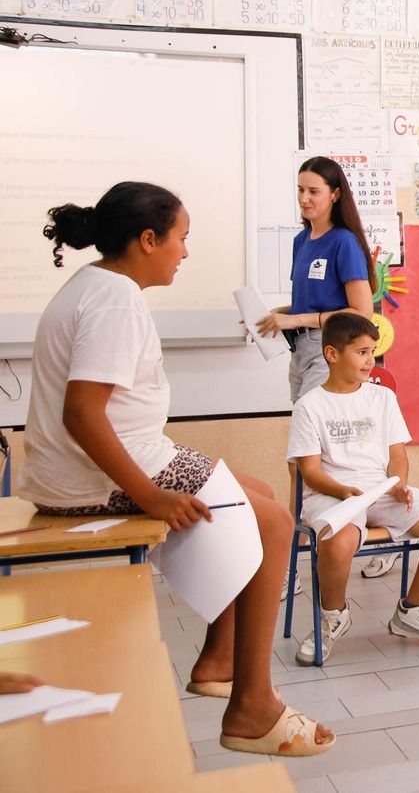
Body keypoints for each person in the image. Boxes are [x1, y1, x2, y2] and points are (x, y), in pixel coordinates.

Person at [20, 182, 332, 756]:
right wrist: (151, 496)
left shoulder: (96, 286)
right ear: (146, 240)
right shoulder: (115, 298)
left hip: (112, 461)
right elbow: (83, 413)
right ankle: (252, 704)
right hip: (102, 477)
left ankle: (217, 660)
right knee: (273, 522)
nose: (185, 253)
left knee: (257, 491)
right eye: (180, 239)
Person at [286, 312, 419, 666]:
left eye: (373, 352)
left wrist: (398, 485)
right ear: (332, 355)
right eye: (362, 352)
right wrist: (344, 492)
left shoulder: (382, 399)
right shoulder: (309, 406)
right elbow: (309, 470)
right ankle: (333, 616)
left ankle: (412, 610)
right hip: (330, 494)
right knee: (337, 544)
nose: (371, 361)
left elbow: (397, 455)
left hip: (380, 491)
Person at [254, 156, 389, 586]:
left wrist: (297, 320)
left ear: (334, 194)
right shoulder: (301, 241)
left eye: (313, 191)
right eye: (300, 190)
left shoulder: (344, 242)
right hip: (304, 353)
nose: (305, 198)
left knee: (314, 459)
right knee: (303, 457)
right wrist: (281, 313)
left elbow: (361, 312)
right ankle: (324, 544)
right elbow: (310, 303)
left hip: (333, 355)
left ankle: (308, 556)